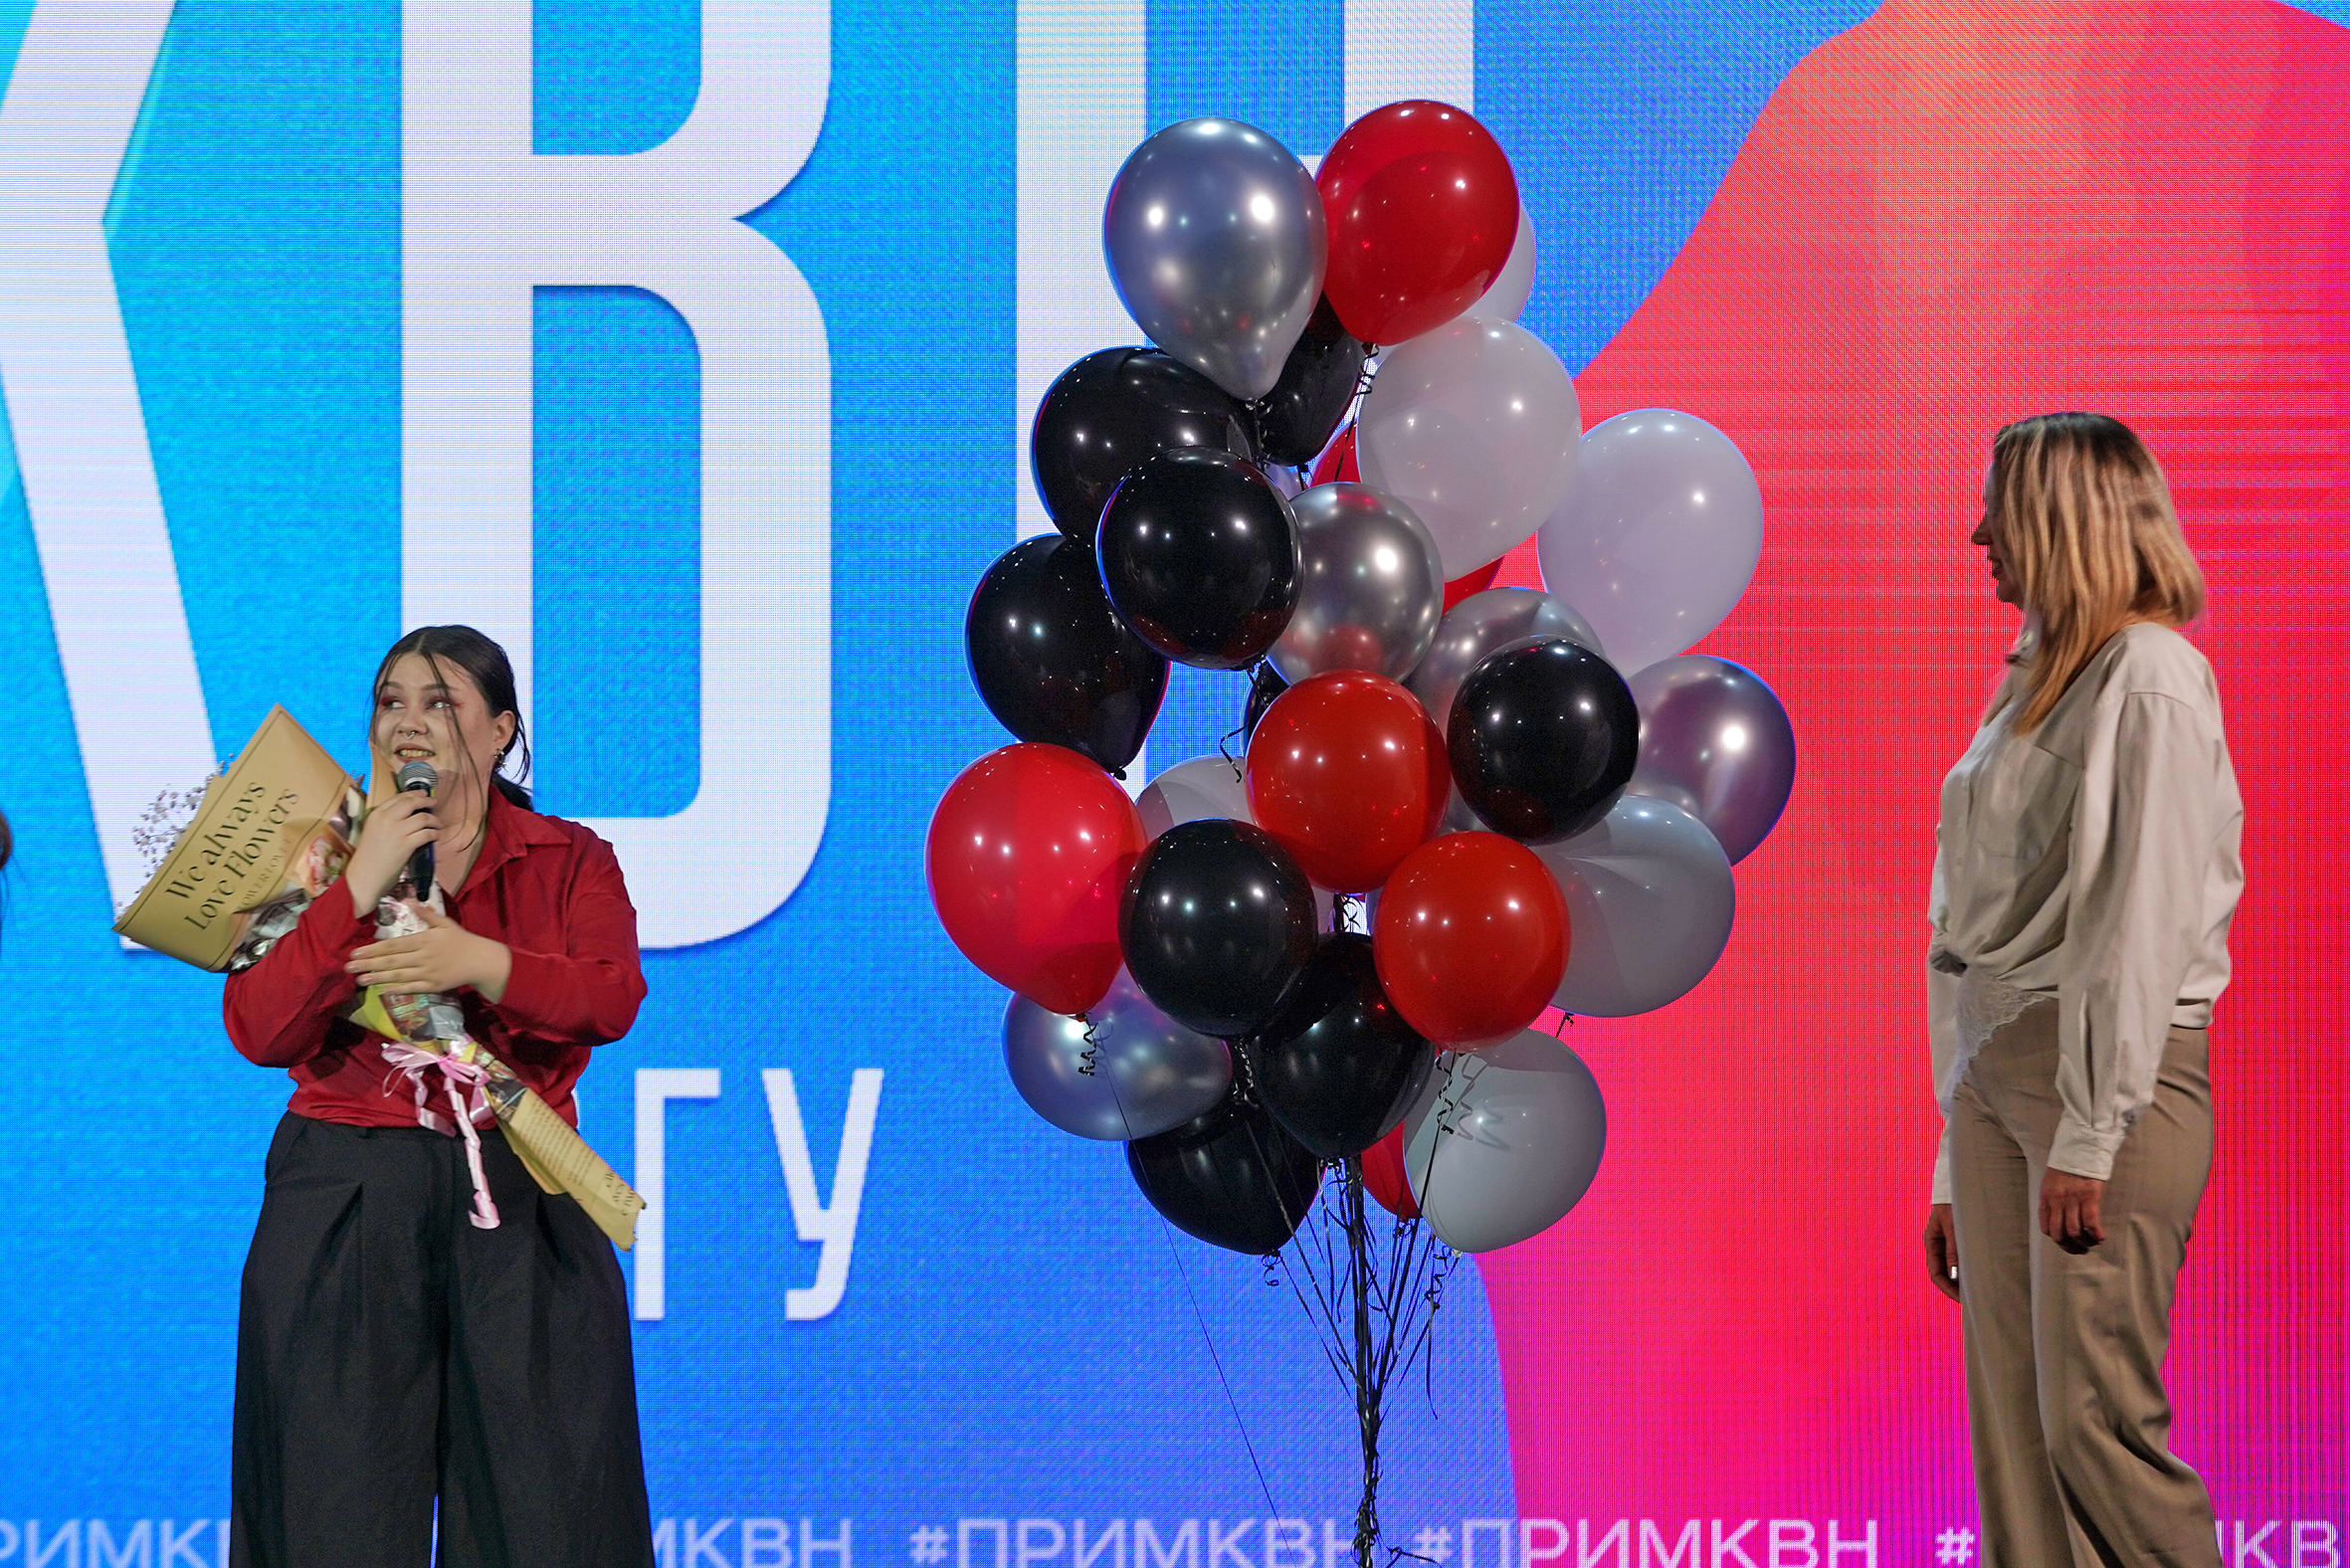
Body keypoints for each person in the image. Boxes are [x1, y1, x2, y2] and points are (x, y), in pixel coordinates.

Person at [224, 625, 654, 1568]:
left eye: (439, 702)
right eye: (391, 702)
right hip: (347, 1191)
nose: (408, 724)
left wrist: (478, 961)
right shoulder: (322, 855)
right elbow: (259, 1027)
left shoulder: (569, 858)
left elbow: (610, 996)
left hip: (520, 1191)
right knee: (331, 1511)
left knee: (544, 1511)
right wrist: (356, 886)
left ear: (500, 732)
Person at [1920, 414, 2242, 1566]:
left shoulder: (2149, 675)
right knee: (2015, 1451)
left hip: (2101, 1084)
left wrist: (2092, 1130)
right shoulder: (2033, 679)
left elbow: (2137, 914)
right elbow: (1966, 922)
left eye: (1998, 510)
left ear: (2058, 521)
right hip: (1997, 1078)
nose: (1979, 535)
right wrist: (1954, 1155)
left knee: (2090, 1430)